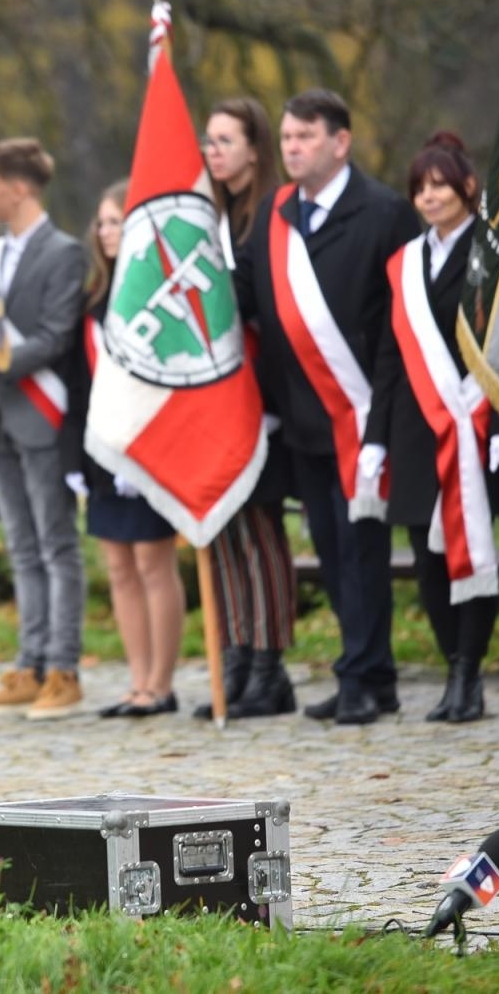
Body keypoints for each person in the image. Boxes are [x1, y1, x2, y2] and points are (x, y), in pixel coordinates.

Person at [232, 89, 421, 726]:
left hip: (364, 416)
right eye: (286, 137)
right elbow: (245, 293)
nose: (291, 147)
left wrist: (384, 420)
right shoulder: (277, 212)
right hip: (303, 422)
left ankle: (369, 678)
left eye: (304, 137)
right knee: (333, 552)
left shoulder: (385, 211)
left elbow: (404, 319)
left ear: (340, 142)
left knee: (361, 551)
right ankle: (362, 671)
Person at [366, 134, 499, 722]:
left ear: (466, 187)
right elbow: (388, 354)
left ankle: (470, 673)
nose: (429, 196)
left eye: (439, 184)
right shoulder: (406, 263)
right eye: (420, 187)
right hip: (415, 426)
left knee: (472, 546)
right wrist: (374, 438)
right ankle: (450, 664)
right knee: (425, 553)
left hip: (478, 421)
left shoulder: (496, 251)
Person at [0, 137, 87, 720]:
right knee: (22, 548)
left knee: (57, 545)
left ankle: (63, 667)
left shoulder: (65, 252)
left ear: (20, 187)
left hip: (41, 412)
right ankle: (29, 663)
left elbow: (55, 336)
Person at [198, 98, 299, 719]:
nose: (213, 151)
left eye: (225, 140)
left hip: (261, 396)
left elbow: (269, 305)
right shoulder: (210, 215)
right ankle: (235, 654)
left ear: (255, 149)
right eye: (209, 140)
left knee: (260, 533)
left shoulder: (270, 214)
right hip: (212, 399)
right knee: (225, 532)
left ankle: (269, 665)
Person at [73, 179, 186, 718]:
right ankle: (138, 681)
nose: (106, 230)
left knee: (153, 562)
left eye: (116, 220)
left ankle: (162, 684)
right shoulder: (93, 296)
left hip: (152, 444)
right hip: (103, 445)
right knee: (118, 564)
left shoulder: (159, 295)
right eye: (102, 221)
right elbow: (79, 381)